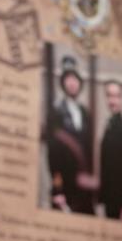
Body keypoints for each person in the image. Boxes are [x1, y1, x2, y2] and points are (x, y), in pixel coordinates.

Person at [46, 56, 95, 213]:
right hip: (65, 186)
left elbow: (89, 151)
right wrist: (57, 189)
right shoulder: (56, 113)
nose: (72, 83)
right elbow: (52, 157)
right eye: (68, 79)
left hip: (83, 186)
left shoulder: (85, 113)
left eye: (75, 79)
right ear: (63, 83)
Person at [98, 81, 122, 220]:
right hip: (109, 198)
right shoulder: (110, 125)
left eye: (116, 96)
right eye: (109, 96)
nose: (112, 100)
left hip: (119, 202)